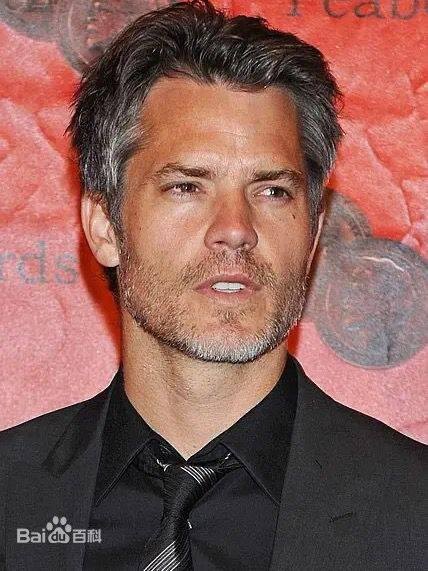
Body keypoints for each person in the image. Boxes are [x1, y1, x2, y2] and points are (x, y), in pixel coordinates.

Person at [0, 1, 426, 569]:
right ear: (105, 227)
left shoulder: (414, 512)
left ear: (313, 232)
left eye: (272, 191)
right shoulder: (11, 500)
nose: (236, 228)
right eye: (186, 186)